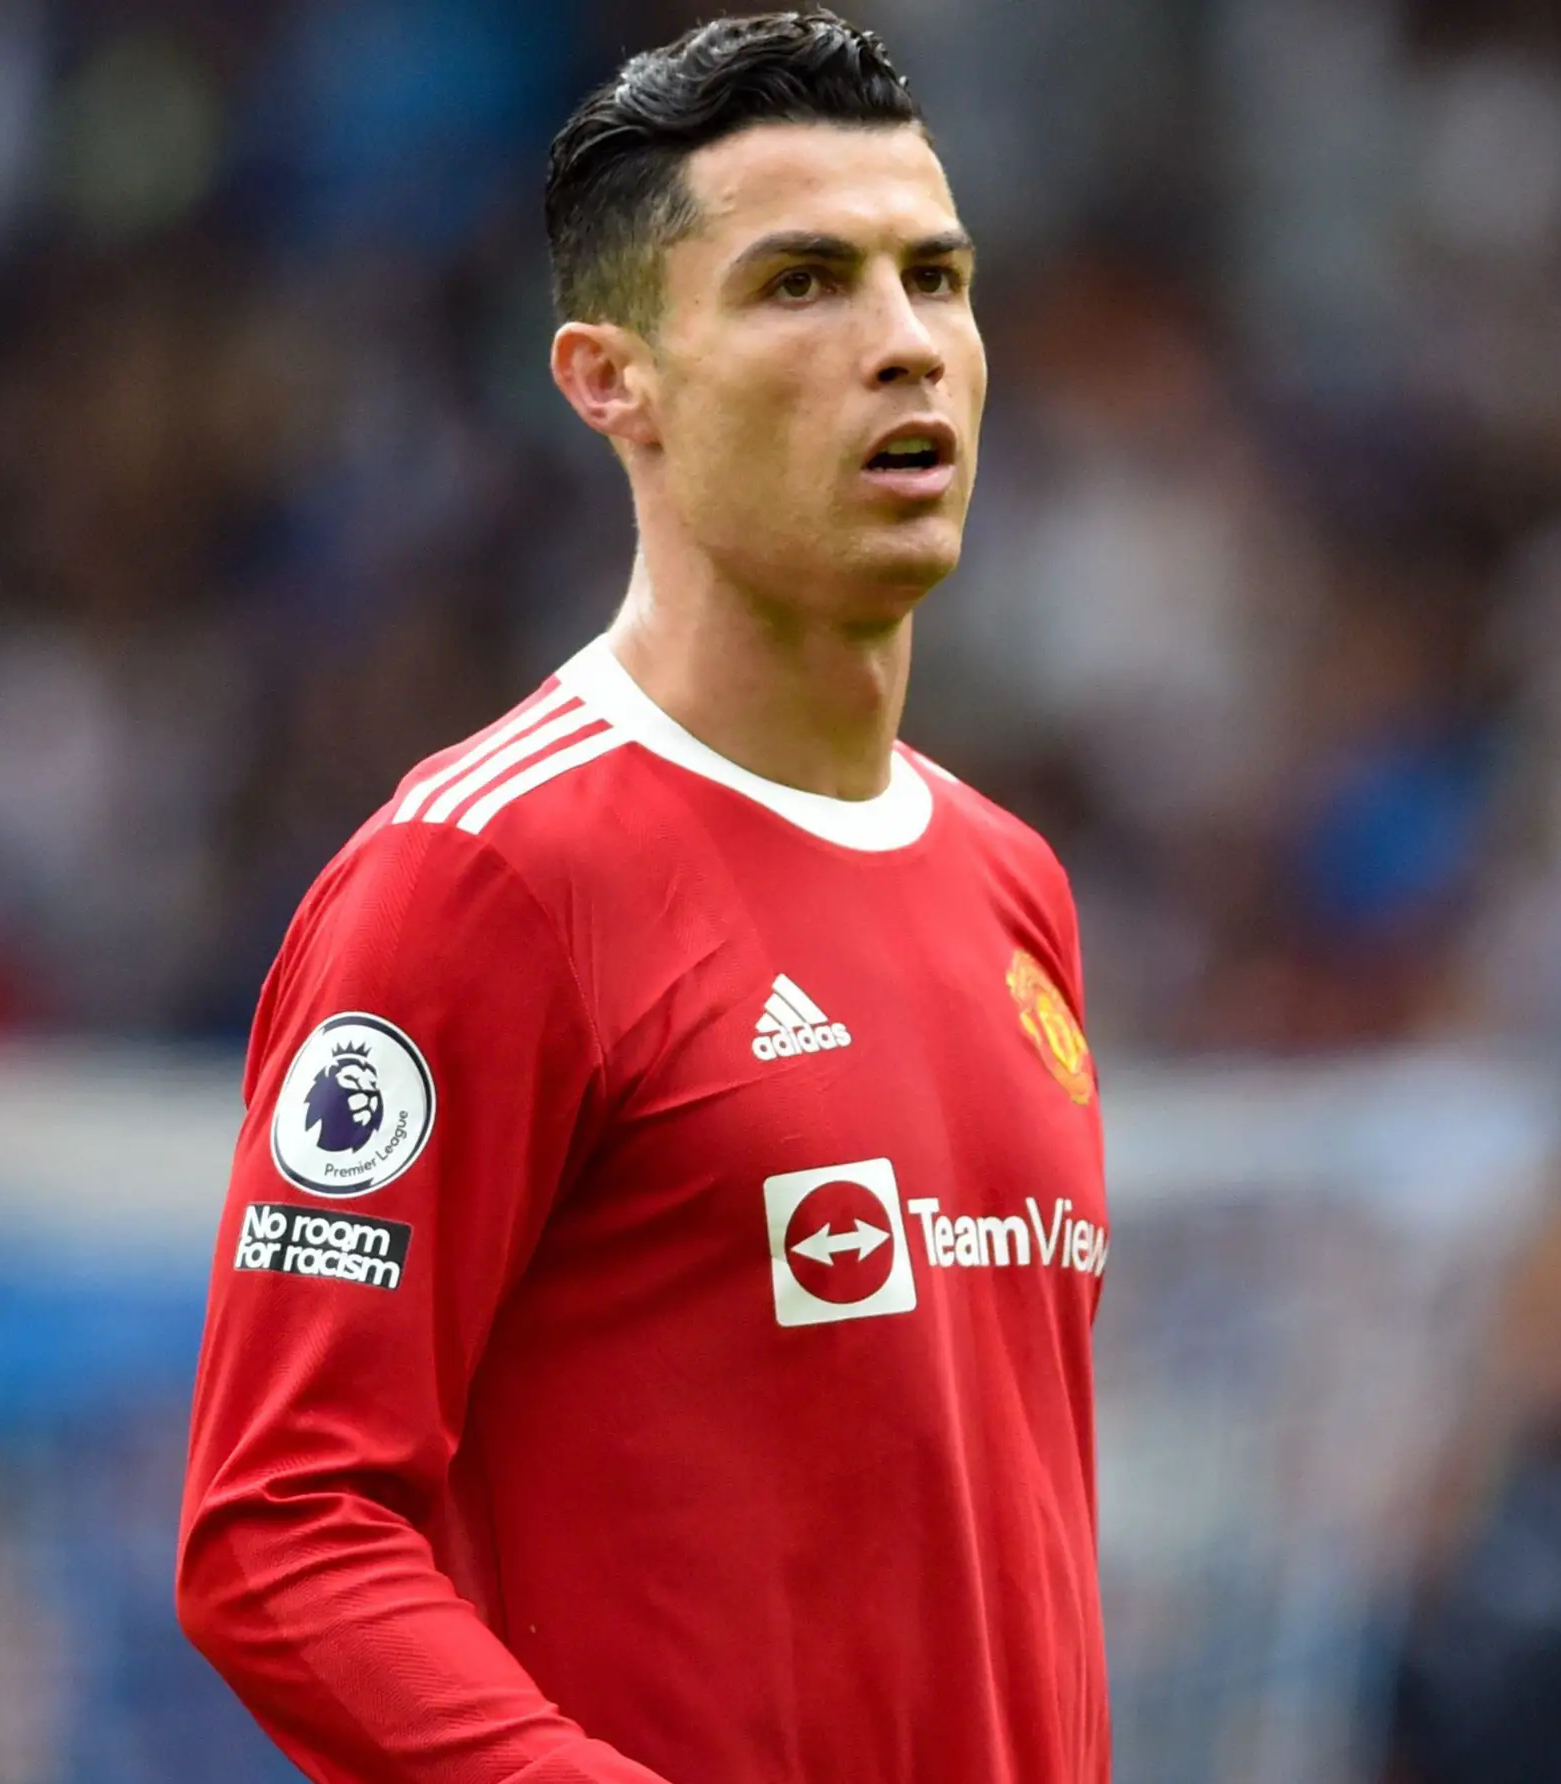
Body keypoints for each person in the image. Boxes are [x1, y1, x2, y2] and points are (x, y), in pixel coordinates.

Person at [175, 15, 1111, 1782]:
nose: (904, 343)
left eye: (937, 277)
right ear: (614, 381)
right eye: (802, 285)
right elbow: (278, 1528)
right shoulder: (482, 879)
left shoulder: (1012, 884)